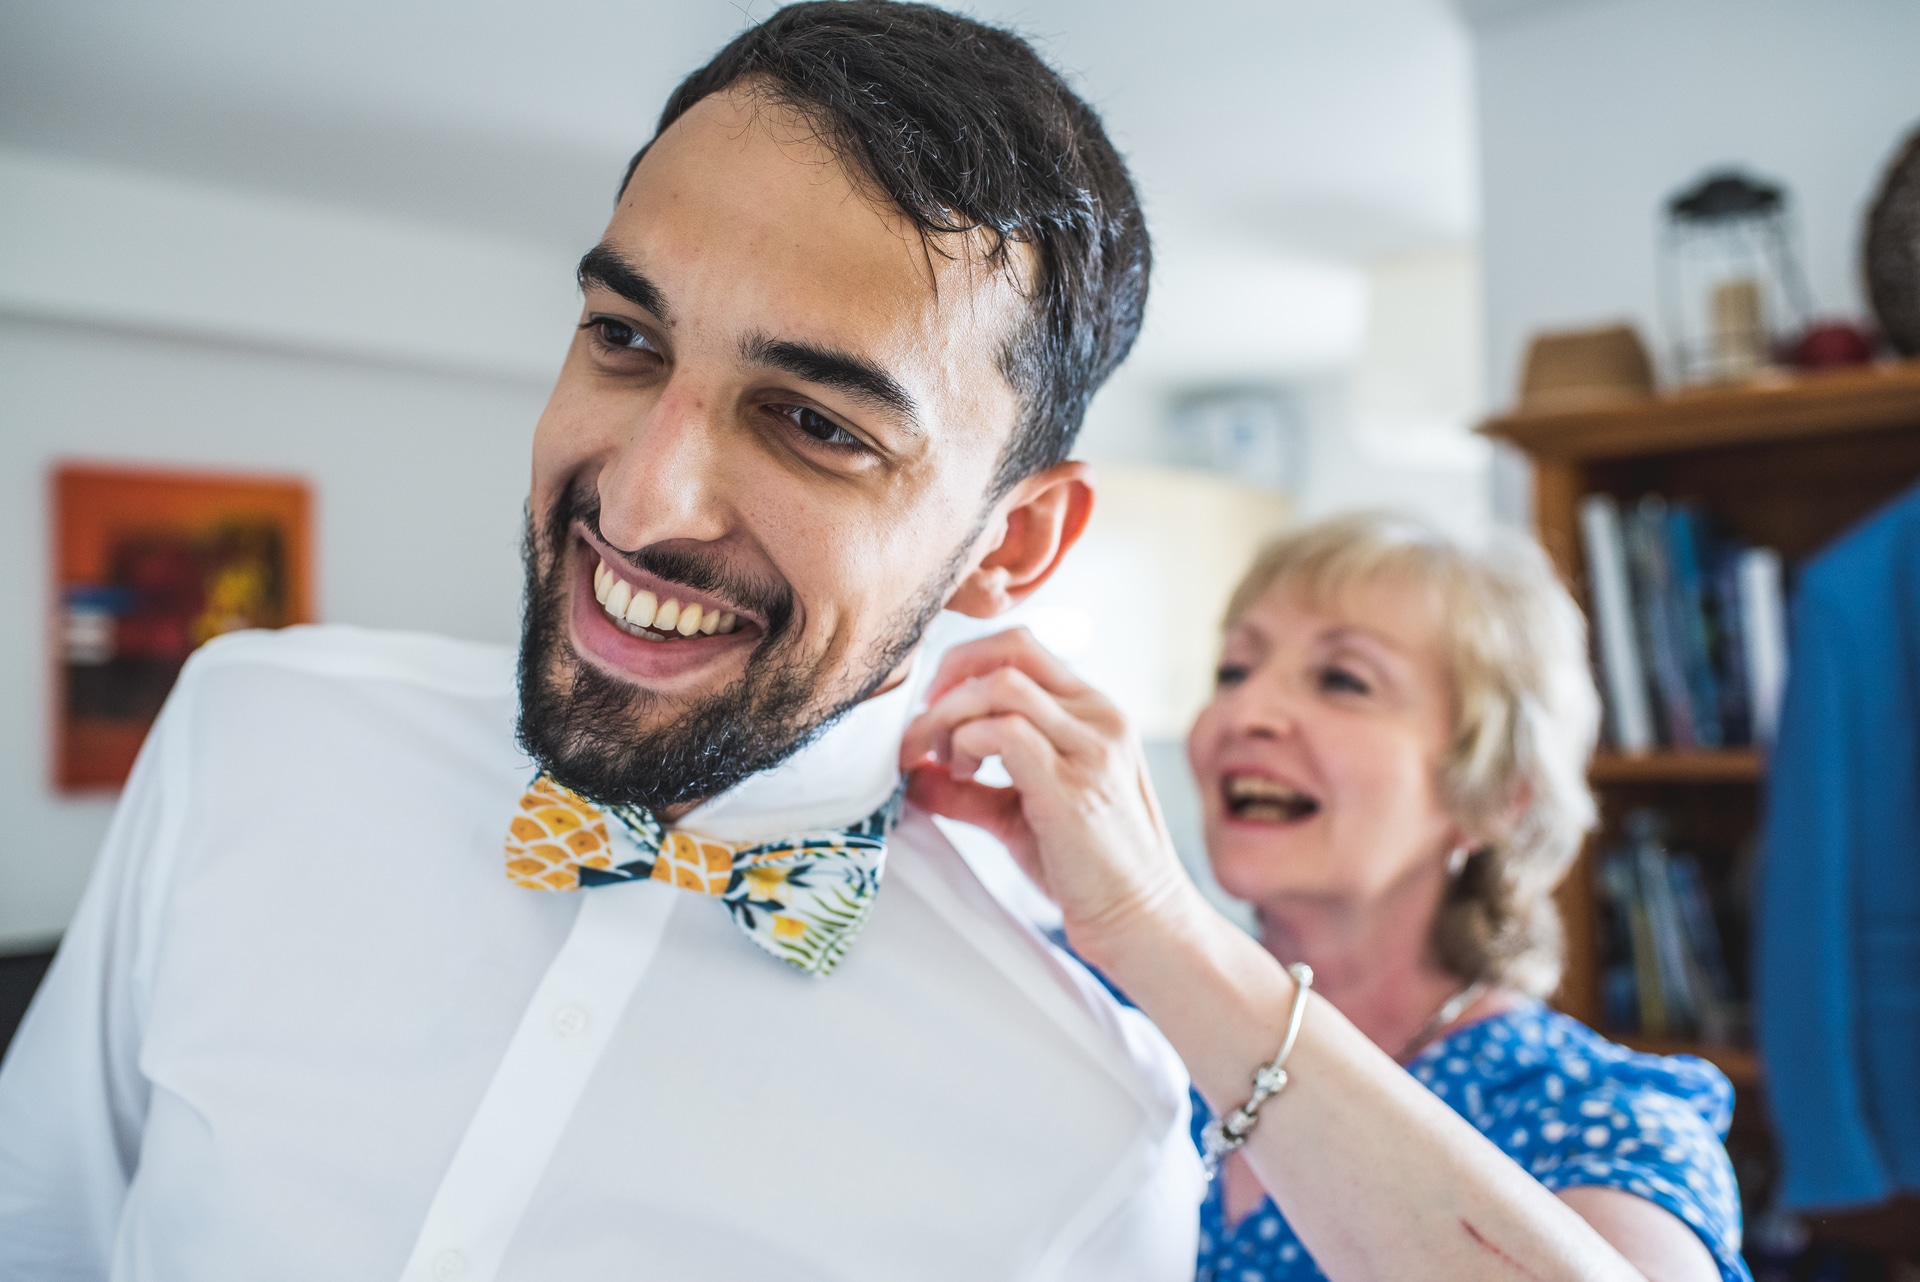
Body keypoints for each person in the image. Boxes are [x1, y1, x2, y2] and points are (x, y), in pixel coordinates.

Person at [0, 5, 1207, 1278]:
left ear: (1012, 545)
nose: (638, 506)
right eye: (625, 339)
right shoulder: (247, 735)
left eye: (814, 422)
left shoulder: (1083, 1149)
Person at [905, 511, 1751, 1282]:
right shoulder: (1075, 996)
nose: (1247, 711)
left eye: (1344, 680)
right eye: (1235, 668)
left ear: (1498, 794)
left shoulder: (1594, 1112)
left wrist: (1153, 924)